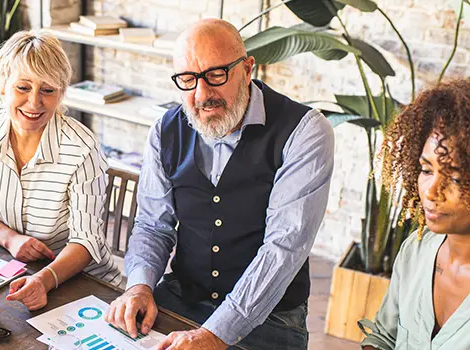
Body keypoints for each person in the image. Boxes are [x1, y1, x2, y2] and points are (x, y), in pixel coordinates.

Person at [105, 18, 335, 350]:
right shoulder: (164, 131)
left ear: (247, 68)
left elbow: (282, 249)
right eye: (188, 79)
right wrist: (139, 287)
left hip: (270, 318)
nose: (201, 94)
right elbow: (153, 225)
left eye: (216, 75)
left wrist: (215, 334)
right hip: (183, 295)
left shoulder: (305, 132)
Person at [0, 30, 121, 311]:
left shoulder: (82, 148)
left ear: (61, 93)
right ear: (3, 86)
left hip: (86, 285)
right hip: (17, 271)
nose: (34, 103)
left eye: (47, 90)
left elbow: (86, 242)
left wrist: (43, 280)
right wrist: (10, 239)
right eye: (23, 87)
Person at [359, 79, 470, 349]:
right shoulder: (416, 250)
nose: (431, 192)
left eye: (454, 178)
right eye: (426, 170)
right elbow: (384, 337)